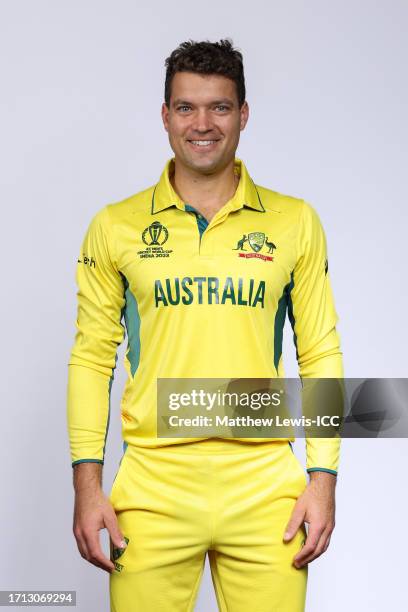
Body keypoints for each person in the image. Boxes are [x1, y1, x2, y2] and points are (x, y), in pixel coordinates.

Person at [67, 38, 343, 612]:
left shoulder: (296, 222)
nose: (203, 124)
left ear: (243, 115)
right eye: (186, 107)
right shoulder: (115, 226)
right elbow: (93, 358)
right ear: (165, 116)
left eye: (219, 107)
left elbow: (319, 351)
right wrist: (87, 486)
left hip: (265, 482)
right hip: (152, 481)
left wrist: (322, 479)